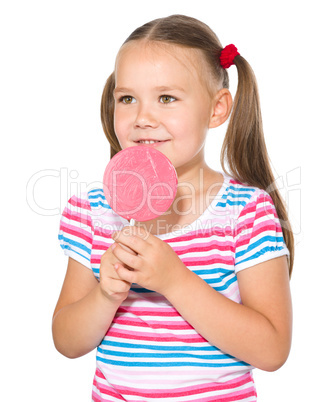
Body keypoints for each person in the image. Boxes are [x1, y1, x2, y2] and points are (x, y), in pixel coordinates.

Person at [53, 14, 293, 401]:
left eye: (167, 98)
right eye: (127, 98)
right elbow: (66, 340)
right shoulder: (93, 211)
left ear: (216, 109)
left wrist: (175, 281)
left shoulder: (246, 212)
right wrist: (105, 296)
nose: (143, 118)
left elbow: (272, 350)